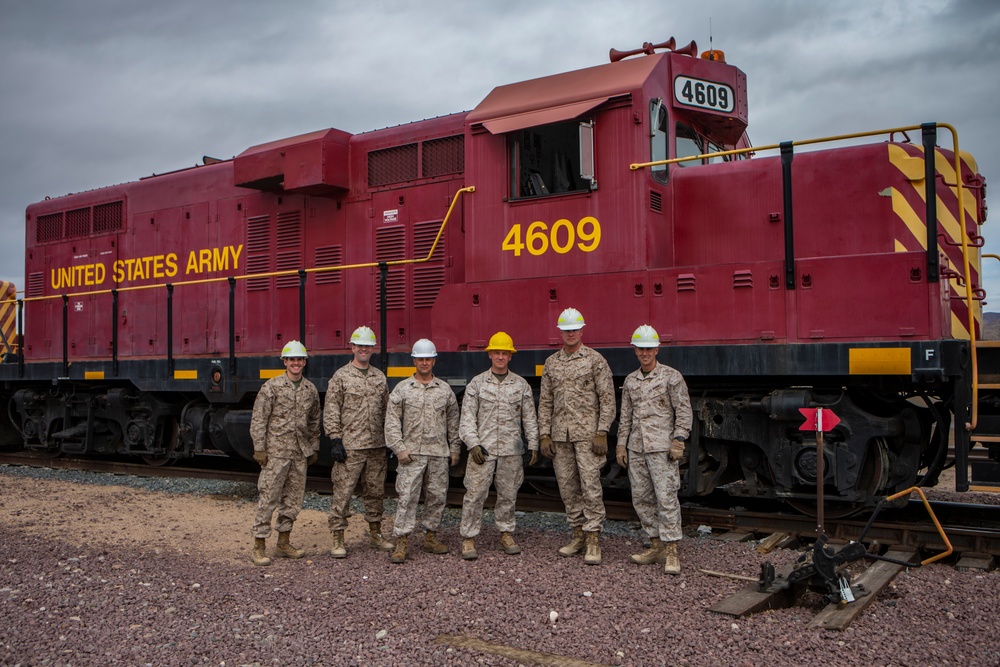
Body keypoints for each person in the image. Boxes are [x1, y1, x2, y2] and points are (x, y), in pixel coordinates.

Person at [537, 308, 616, 565]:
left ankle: (593, 539)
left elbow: (607, 398)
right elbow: (546, 401)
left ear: (581, 331)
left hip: (588, 436)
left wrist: (602, 431)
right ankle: (577, 535)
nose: (570, 334)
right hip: (560, 437)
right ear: (560, 333)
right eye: (566, 330)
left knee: (591, 487)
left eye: (574, 330)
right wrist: (545, 434)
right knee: (567, 487)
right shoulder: (552, 363)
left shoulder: (595, 360)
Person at [616, 325, 693, 575]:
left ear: (657, 349)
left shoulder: (672, 377)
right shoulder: (630, 381)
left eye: (649, 348)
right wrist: (621, 444)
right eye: (640, 349)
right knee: (641, 498)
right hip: (637, 448)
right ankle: (655, 544)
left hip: (662, 448)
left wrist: (679, 439)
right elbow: (625, 416)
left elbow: (683, 410)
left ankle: (671, 551)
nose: (645, 353)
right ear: (635, 351)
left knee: (666, 497)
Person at [458, 332, 540, 560]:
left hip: (511, 451)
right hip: (482, 452)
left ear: (510, 356)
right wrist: (473, 444)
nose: (501, 357)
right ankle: (468, 537)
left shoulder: (521, 385)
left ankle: (506, 533)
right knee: (474, 494)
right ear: (490, 355)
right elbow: (467, 418)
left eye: (505, 353)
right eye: (497, 353)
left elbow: (529, 417)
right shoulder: (477, 384)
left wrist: (533, 443)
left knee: (508, 494)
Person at [384, 338, 461, 563]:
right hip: (411, 455)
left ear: (434, 361)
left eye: (428, 359)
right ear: (414, 361)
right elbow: (391, 422)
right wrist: (399, 449)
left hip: (438, 453)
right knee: (407, 498)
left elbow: (453, 422)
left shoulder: (444, 390)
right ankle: (402, 541)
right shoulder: (402, 389)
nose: (424, 362)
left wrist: (454, 448)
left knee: (437, 496)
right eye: (420, 359)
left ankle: (430, 537)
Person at [249, 340, 321, 566]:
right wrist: (259, 448)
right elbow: (259, 419)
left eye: (299, 359)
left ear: (304, 362)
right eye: (292, 360)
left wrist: (314, 448)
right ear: (285, 362)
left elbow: (314, 422)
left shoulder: (310, 390)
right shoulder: (271, 387)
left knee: (293, 501)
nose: (296, 363)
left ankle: (283, 543)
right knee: (268, 498)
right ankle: (259, 546)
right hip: (276, 454)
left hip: (299, 454)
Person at [324, 325, 392, 558]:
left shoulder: (379, 377)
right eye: (359, 345)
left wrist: (391, 440)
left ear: (373, 349)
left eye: (368, 345)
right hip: (350, 446)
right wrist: (335, 439)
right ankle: (338, 537)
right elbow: (332, 408)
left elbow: (387, 410)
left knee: (375, 491)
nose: (363, 349)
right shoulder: (341, 376)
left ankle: (375, 533)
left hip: (376, 445)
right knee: (343, 492)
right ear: (352, 347)